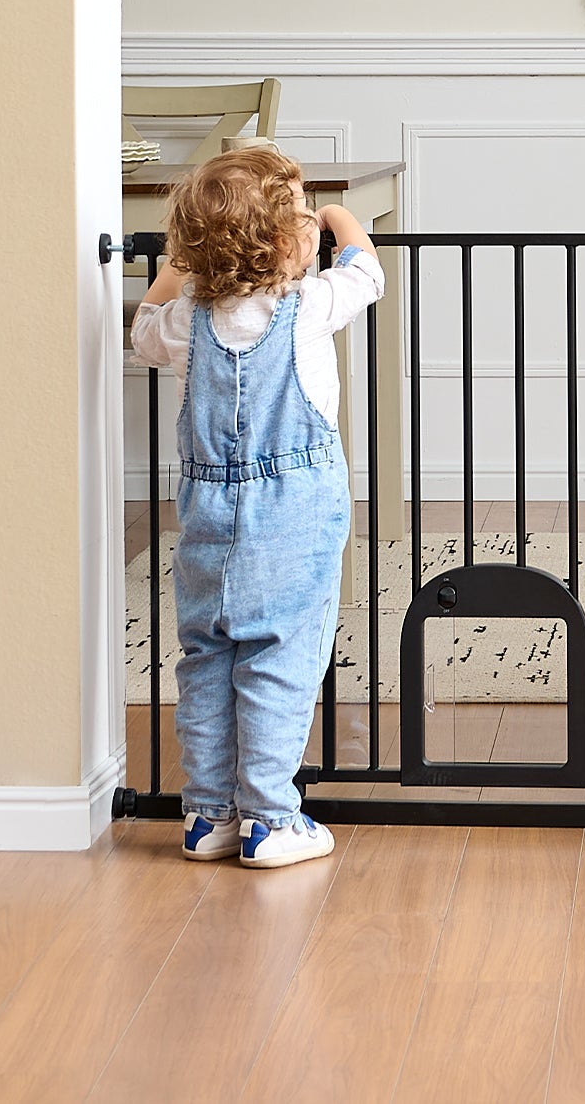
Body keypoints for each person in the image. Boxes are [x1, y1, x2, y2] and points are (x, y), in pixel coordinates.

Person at [131, 145, 385, 866]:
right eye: (303, 217)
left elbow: (141, 328)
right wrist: (340, 215)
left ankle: (207, 814)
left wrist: (181, 262)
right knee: (282, 654)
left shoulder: (187, 320)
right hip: (295, 512)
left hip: (208, 511)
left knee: (208, 653)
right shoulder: (305, 308)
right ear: (288, 242)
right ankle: (270, 819)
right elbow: (367, 273)